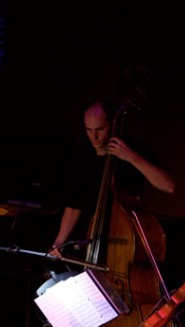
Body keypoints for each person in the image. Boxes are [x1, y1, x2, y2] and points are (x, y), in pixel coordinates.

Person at [48, 101, 175, 256]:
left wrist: (131, 157)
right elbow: (74, 205)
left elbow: (169, 186)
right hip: (90, 240)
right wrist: (59, 242)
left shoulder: (131, 148)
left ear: (113, 123)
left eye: (100, 129)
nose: (94, 136)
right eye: (89, 130)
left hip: (124, 240)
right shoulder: (82, 157)